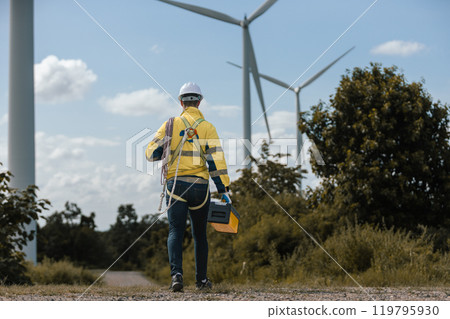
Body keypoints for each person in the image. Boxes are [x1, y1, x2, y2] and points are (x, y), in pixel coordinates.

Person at [146, 82, 231, 292]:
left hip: (176, 186)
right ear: (200, 102)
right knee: (199, 234)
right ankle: (201, 281)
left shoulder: (170, 125)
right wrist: (223, 189)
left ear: (181, 102)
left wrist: (166, 150)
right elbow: (216, 162)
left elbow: (150, 153)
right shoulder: (207, 127)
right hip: (200, 187)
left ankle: (177, 276)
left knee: (175, 230)